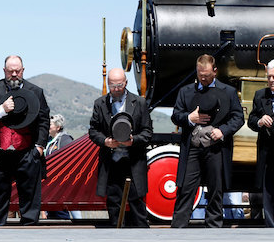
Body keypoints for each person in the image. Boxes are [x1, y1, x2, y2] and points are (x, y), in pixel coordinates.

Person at [0, 55, 51, 225]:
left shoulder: (36, 91)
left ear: (23, 70)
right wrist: (1, 109)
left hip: (27, 152)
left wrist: (39, 147)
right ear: (4, 71)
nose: (14, 74)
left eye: (17, 70)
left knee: (30, 196)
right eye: (10, 71)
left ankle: (29, 230)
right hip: (0, 152)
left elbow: (44, 120)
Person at [170, 54, 244, 228]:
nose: (202, 78)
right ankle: (178, 228)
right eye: (199, 74)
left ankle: (214, 228)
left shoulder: (229, 92)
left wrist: (222, 131)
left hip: (216, 148)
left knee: (215, 190)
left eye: (206, 75)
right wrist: (189, 118)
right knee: (186, 189)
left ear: (215, 72)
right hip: (193, 148)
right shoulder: (185, 91)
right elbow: (175, 115)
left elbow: (238, 117)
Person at [88, 68, 154, 228]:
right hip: (111, 163)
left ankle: (144, 240)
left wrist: (134, 141)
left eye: (119, 85)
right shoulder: (100, 104)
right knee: (114, 204)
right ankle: (115, 238)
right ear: (107, 84)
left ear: (126, 83)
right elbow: (93, 131)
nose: (116, 89)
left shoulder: (139, 103)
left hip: (133, 162)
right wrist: (105, 141)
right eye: (112, 86)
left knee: (137, 205)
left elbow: (148, 132)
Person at [247, 60, 274, 227]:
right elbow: (251, 120)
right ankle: (271, 226)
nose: (271, 80)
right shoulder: (260, 95)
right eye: (269, 76)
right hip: (267, 152)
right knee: (269, 191)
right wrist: (260, 121)